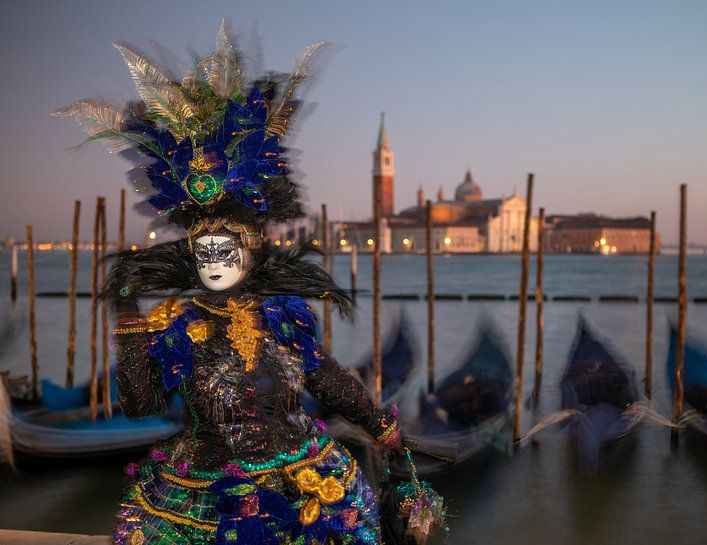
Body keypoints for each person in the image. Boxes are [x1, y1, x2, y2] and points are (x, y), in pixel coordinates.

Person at [55, 24, 442, 545]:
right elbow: (142, 405)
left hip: (305, 479)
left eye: (225, 249)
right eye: (203, 251)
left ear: (250, 247)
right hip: (206, 496)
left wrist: (384, 428)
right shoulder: (179, 327)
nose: (213, 262)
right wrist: (127, 320)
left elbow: (323, 376)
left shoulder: (283, 315)